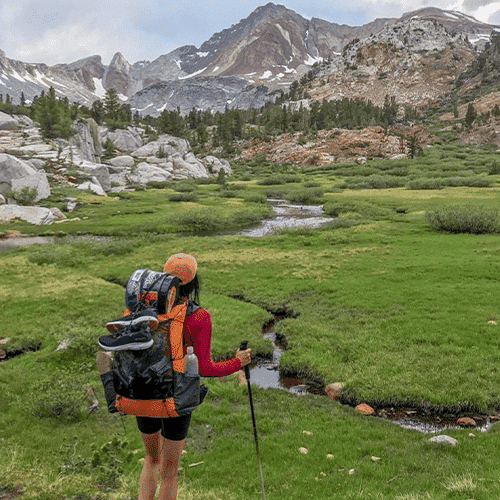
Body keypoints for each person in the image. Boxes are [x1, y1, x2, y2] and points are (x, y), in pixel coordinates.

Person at [96, 253, 252, 500]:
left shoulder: (137, 311)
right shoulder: (199, 316)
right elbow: (205, 369)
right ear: (193, 282)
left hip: (140, 393)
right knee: (169, 472)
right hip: (175, 401)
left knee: (150, 459)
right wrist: (238, 362)